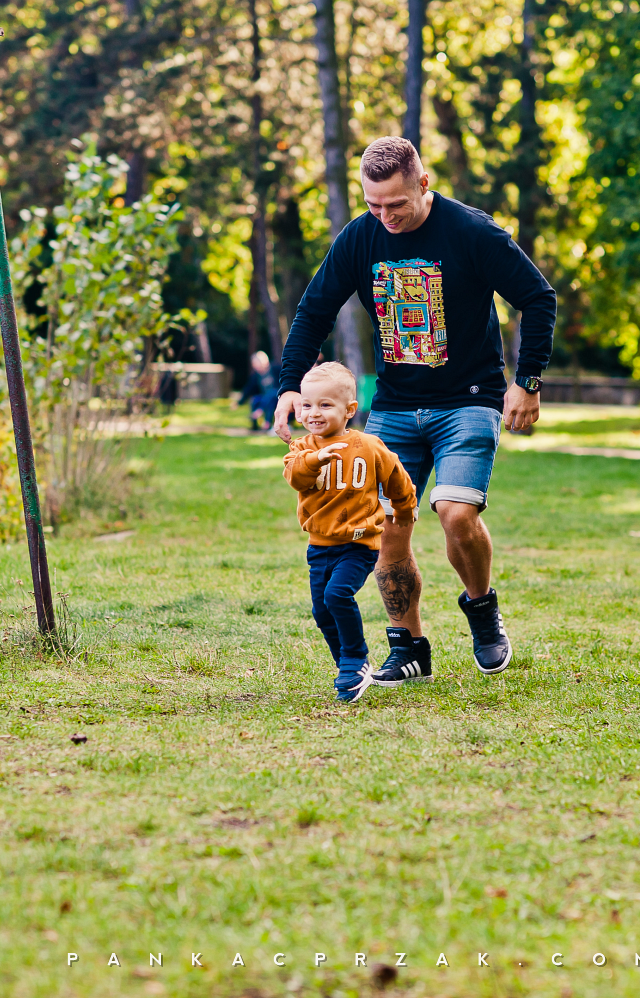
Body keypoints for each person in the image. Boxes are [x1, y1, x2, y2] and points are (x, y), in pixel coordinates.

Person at [273, 136, 556, 683]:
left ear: (423, 185)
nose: (385, 217)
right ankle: (409, 648)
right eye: (373, 205)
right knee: (379, 528)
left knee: (454, 512)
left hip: (467, 401)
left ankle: (481, 609)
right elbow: (313, 312)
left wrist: (527, 380)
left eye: (396, 205)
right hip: (396, 407)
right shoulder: (359, 239)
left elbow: (537, 296)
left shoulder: (472, 231)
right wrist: (290, 384)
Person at [282, 362, 416, 702]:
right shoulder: (302, 448)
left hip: (358, 544)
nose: (315, 413)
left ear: (349, 410)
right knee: (321, 611)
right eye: (308, 405)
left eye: (326, 405)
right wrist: (315, 460)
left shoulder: (369, 446)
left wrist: (404, 510)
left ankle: (355, 657)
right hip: (319, 546)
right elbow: (295, 476)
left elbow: (398, 479)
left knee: (337, 595)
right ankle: (349, 664)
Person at [238, 350, 278, 430]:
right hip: (264, 397)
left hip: (277, 396)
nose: (255, 366)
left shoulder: (275, 369)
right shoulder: (256, 375)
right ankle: (255, 425)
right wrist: (239, 402)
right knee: (255, 399)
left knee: (271, 395)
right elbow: (248, 389)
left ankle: (264, 417)